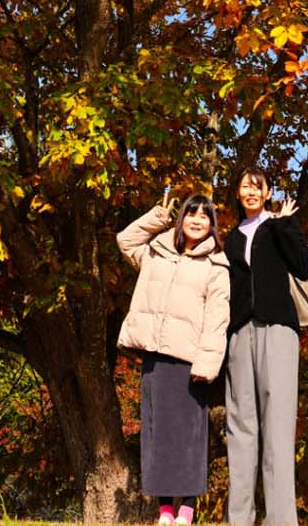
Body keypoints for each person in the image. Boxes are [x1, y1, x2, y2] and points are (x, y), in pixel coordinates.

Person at [117, 186, 232, 526]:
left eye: (204, 216)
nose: (197, 220)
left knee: (190, 436)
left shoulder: (216, 265)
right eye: (191, 213)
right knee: (158, 434)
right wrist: (157, 218)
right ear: (181, 219)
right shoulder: (157, 252)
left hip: (190, 361)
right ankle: (165, 510)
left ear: (212, 225)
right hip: (156, 355)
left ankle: (188, 508)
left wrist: (207, 364)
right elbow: (125, 240)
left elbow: (218, 318)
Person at [221, 166, 308, 526]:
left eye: (257, 186)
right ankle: (238, 520)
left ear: (268, 192)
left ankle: (281, 520)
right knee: (240, 429)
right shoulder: (230, 238)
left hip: (278, 330)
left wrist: (286, 225)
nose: (251, 191)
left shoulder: (278, 227)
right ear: (238, 193)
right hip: (240, 333)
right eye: (245, 186)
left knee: (277, 429)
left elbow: (303, 267)